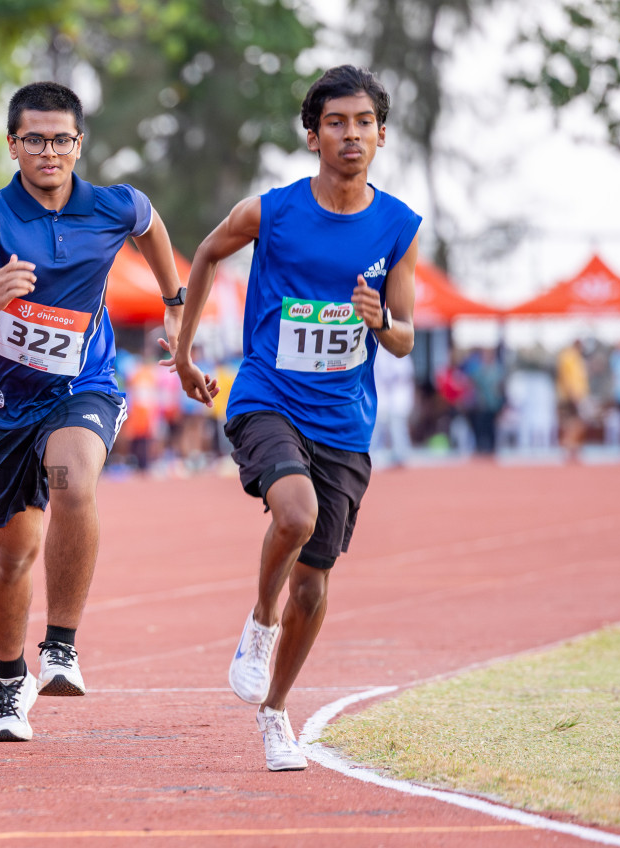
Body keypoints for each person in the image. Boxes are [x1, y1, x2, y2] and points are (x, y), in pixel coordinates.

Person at [173, 65, 420, 771]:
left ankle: (277, 710)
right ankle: (258, 622)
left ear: (381, 134)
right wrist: (187, 351)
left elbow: (406, 339)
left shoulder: (398, 225)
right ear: (312, 135)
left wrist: (381, 321)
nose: (352, 134)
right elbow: (209, 254)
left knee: (313, 581)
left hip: (344, 420)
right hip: (267, 397)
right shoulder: (272, 211)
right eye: (337, 123)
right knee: (295, 513)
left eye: (364, 122)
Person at [0, 81, 185, 742]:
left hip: (83, 385)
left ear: (78, 144)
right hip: (1, 403)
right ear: (13, 145)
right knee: (12, 556)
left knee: (75, 479)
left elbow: (150, 224)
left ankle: (61, 646)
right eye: (34, 139)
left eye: (61, 139)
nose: (49, 151)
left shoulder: (111, 207)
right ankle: (10, 681)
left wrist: (174, 299)